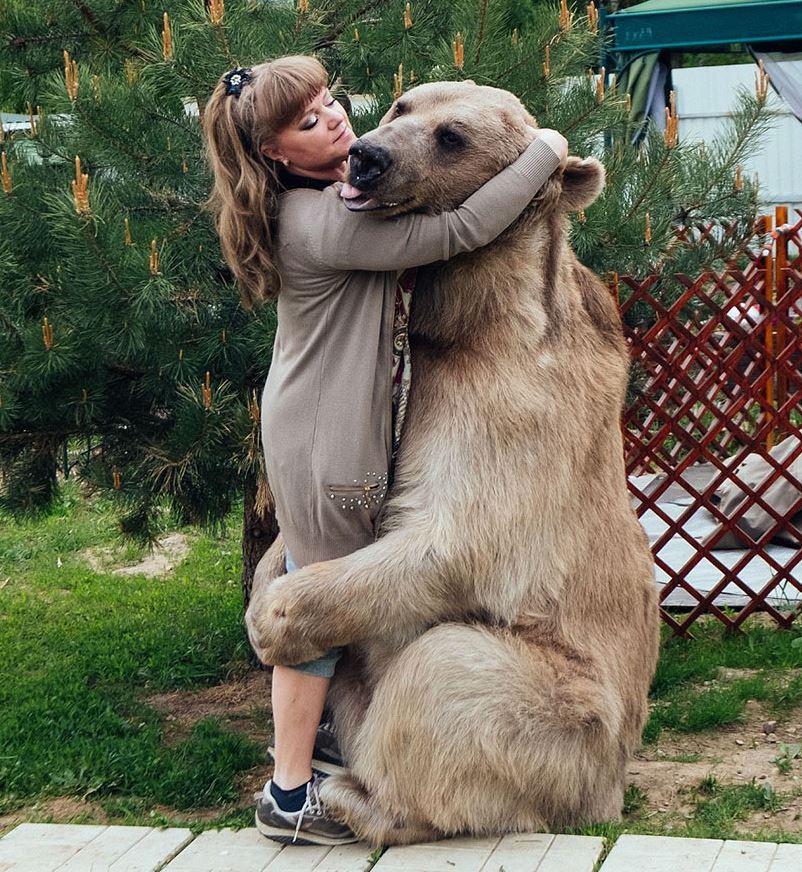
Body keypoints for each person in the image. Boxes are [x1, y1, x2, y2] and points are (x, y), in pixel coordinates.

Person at [202, 55, 567, 846]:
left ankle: (316, 749)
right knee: (312, 612)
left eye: (331, 103)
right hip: (327, 437)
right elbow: (463, 227)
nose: (339, 122)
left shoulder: (325, 200)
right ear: (274, 154)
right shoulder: (327, 222)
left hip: (311, 420)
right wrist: (546, 152)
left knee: (317, 586)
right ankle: (289, 792)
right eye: (307, 123)